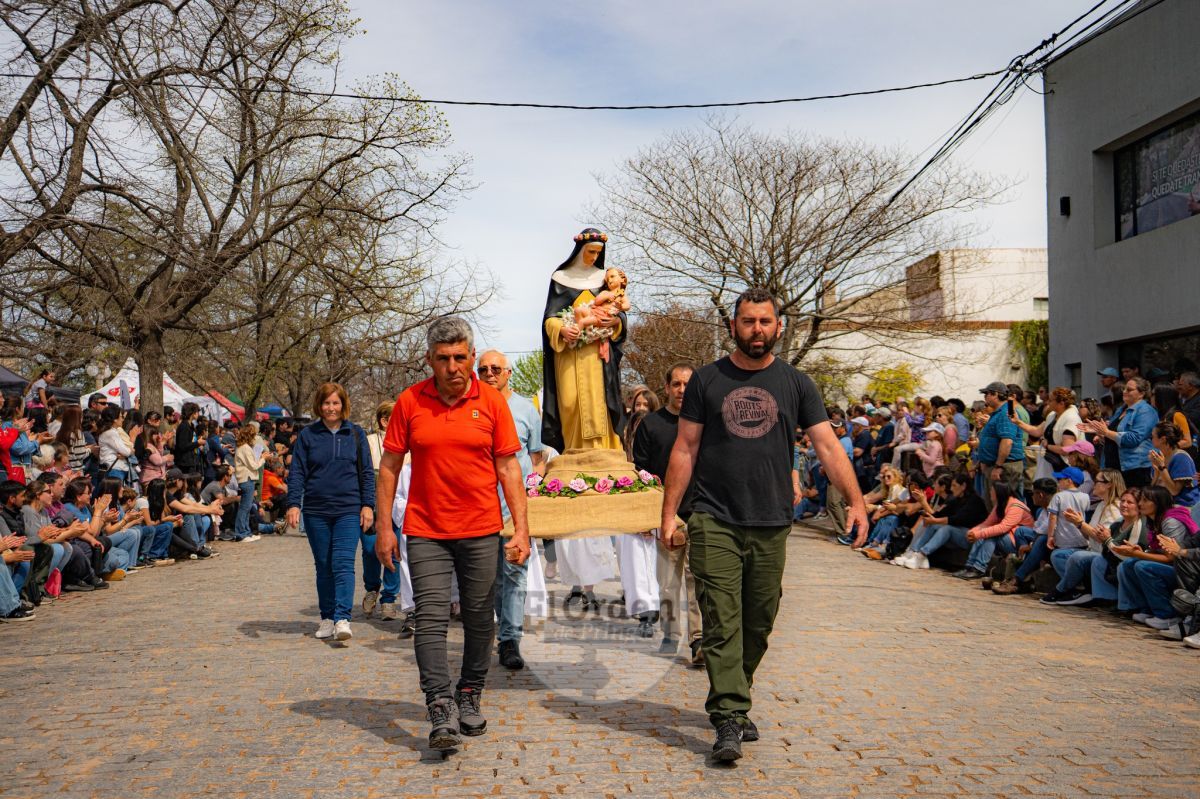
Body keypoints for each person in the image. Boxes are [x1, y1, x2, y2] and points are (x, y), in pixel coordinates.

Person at [659, 287, 867, 763]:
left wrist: (855, 501)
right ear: (734, 326)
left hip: (773, 518)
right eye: (748, 322)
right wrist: (669, 514)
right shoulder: (707, 381)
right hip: (714, 516)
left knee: (760, 619)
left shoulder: (797, 383)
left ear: (778, 327)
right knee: (721, 618)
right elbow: (685, 449)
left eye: (765, 322)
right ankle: (729, 715)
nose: (757, 330)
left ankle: (736, 690)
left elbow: (829, 448)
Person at [373, 317, 531, 752]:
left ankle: (469, 692)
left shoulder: (493, 404)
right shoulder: (410, 401)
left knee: (481, 617)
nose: (453, 367)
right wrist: (385, 528)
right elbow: (389, 467)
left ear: (472, 357)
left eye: (461, 357)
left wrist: (522, 528)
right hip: (425, 530)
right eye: (443, 359)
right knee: (431, 616)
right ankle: (439, 704)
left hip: (481, 530)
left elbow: (508, 469)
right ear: (430, 361)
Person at [286, 384, 374, 642]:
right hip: (316, 510)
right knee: (323, 565)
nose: (331, 408)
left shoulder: (356, 434)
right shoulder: (308, 435)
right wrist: (294, 504)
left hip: (349, 508)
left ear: (343, 405)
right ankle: (327, 617)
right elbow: (297, 472)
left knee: (343, 563)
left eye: (335, 403)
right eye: (326, 403)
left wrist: (368, 504)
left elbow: (367, 473)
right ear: (319, 406)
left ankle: (343, 618)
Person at [477, 349, 547, 669]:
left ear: (508, 374)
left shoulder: (526, 409)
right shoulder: (471, 406)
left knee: (515, 574)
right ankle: (494, 630)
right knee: (489, 578)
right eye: (483, 369)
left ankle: (510, 640)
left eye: (495, 368)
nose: (489, 373)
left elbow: (537, 459)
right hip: (478, 507)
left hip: (513, 508)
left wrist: (531, 496)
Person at [633, 361, 705, 665]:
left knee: (696, 580)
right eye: (676, 384)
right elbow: (640, 473)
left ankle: (698, 640)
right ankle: (670, 633)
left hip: (699, 512)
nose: (681, 390)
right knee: (667, 582)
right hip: (666, 514)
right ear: (666, 388)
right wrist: (647, 517)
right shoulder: (651, 425)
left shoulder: (705, 424)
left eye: (687, 384)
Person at [540, 228, 626, 453]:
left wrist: (615, 323)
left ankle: (604, 452)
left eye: (598, 253)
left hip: (598, 357)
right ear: (579, 250)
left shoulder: (603, 278)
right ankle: (573, 452)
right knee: (570, 401)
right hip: (568, 355)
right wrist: (562, 330)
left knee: (600, 401)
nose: (594, 257)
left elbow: (619, 312)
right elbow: (549, 319)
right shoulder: (561, 278)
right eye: (590, 252)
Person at [1116, 484, 1196, 629]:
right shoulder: (1153, 521)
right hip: (1174, 566)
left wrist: (1139, 554)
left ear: (1158, 503)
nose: (1140, 504)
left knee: (1143, 566)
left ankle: (1167, 615)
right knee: (1128, 565)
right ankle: (1147, 609)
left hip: (1186, 571)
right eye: (1141, 500)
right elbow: (1159, 551)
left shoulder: (1170, 522)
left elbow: (1172, 557)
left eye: (1146, 501)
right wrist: (1142, 552)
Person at [1044, 470, 1127, 606]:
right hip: (1092, 548)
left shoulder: (1115, 508)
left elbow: (1102, 537)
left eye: (1098, 481)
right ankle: (1080, 589)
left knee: (1077, 557)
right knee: (1058, 555)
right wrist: (1077, 524)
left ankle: (1060, 590)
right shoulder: (1102, 504)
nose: (1093, 484)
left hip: (1106, 553)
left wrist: (1080, 523)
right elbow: (1090, 535)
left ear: (1109, 485)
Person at [358, 400, 404, 622]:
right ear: (385, 421)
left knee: (394, 552)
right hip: (372, 505)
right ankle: (372, 588)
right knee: (370, 550)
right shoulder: (368, 443)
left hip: (398, 505)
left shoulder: (407, 444)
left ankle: (388, 599)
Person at [896, 473, 988, 570]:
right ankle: (914, 551)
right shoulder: (957, 499)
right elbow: (941, 514)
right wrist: (931, 518)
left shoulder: (974, 500)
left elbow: (958, 519)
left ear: (963, 486)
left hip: (972, 536)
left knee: (946, 529)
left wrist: (934, 519)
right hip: (959, 532)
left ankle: (922, 555)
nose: (951, 489)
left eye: (954, 486)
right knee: (931, 524)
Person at [1078, 377, 1159, 488]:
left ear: (1141, 394)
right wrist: (1100, 432)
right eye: (1124, 389)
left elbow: (1134, 438)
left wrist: (1106, 432)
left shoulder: (1146, 411)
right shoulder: (1121, 409)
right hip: (1115, 466)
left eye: (1129, 390)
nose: (1124, 392)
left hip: (1134, 468)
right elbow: (1112, 434)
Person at [975, 381, 1025, 504]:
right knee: (993, 505)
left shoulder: (1006, 412)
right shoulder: (999, 412)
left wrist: (998, 466)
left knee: (1002, 506)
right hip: (996, 465)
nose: (985, 397)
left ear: (996, 394)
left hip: (1004, 467)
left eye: (987, 394)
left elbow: (1007, 441)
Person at [1149, 422, 1198, 507]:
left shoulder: (1181, 458)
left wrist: (1162, 468)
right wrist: (1157, 474)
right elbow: (1153, 488)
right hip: (1164, 504)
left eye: (1152, 436)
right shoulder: (1159, 457)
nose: (1151, 439)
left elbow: (1174, 491)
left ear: (1163, 439)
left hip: (1184, 506)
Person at [233, 425, 266, 542]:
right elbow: (253, 465)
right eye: (253, 435)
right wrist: (263, 458)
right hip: (246, 479)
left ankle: (246, 532)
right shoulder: (245, 448)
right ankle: (241, 533)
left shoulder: (244, 447)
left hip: (248, 479)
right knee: (245, 508)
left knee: (246, 508)